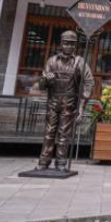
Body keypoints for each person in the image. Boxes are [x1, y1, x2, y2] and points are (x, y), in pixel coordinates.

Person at [36, 30, 94, 172]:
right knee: (49, 133)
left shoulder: (80, 62)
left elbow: (89, 83)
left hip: (69, 104)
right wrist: (45, 79)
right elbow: (41, 86)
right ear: (61, 44)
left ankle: (61, 162)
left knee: (64, 134)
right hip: (53, 103)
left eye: (72, 44)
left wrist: (82, 106)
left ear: (75, 46)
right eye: (66, 43)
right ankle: (44, 162)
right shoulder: (51, 61)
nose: (68, 46)